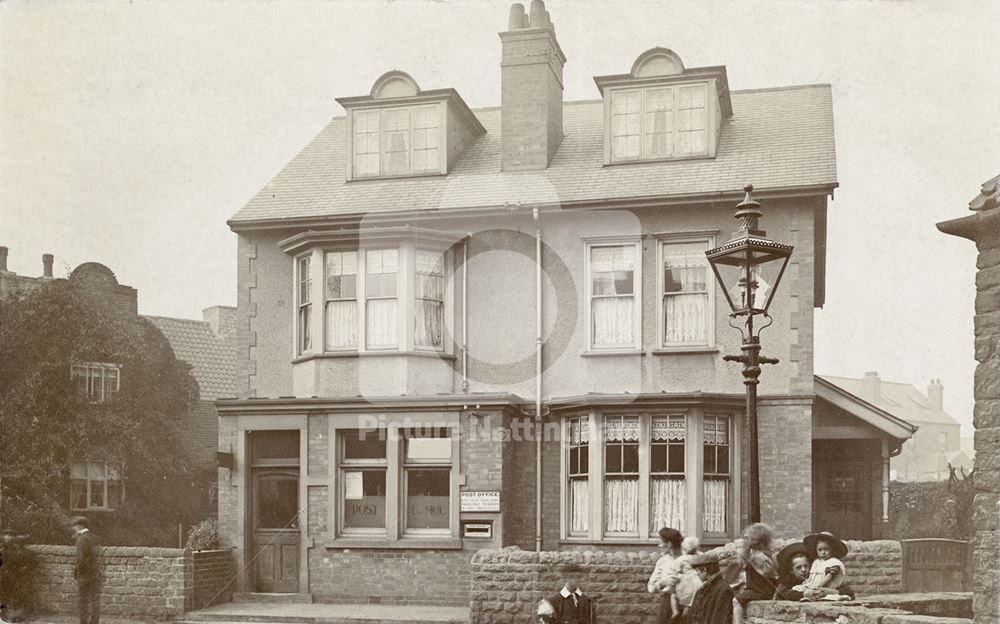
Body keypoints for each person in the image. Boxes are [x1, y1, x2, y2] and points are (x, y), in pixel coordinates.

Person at [774, 541, 855, 602]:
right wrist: (804, 594)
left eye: (806, 566)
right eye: (798, 567)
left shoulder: (815, 576)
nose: (803, 570)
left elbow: (849, 592)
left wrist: (832, 592)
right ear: (791, 570)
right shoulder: (788, 580)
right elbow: (780, 594)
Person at [733, 523, 779, 624]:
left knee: (736, 601)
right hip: (756, 589)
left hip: (760, 591)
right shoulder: (757, 554)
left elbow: (768, 574)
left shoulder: (759, 556)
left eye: (748, 538)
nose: (746, 540)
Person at [685, 551, 739, 624]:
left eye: (697, 570)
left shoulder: (723, 589)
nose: (696, 574)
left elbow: (719, 620)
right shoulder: (704, 588)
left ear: (704, 570)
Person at [646, 527, 682, 623]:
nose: (659, 546)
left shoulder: (692, 558)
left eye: (661, 542)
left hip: (689, 604)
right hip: (668, 605)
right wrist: (662, 582)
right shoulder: (662, 561)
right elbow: (651, 587)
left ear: (669, 544)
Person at [71, 517, 101, 624]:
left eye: (74, 526)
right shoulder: (94, 537)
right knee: (94, 600)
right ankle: (94, 622)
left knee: (83, 601)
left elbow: (81, 558)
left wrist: (78, 574)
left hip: (85, 574)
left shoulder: (82, 539)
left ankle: (83, 622)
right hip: (95, 573)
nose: (74, 529)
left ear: (80, 526)